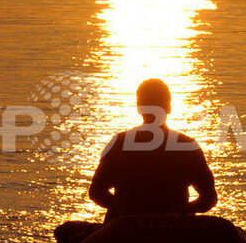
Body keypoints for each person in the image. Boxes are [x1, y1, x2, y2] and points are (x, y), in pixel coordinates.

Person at [89, 78, 217, 220]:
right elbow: (209, 198)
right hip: (164, 228)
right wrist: (180, 211)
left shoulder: (120, 143)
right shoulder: (187, 146)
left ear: (138, 108)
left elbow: (96, 191)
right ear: (169, 107)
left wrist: (128, 209)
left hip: (132, 228)